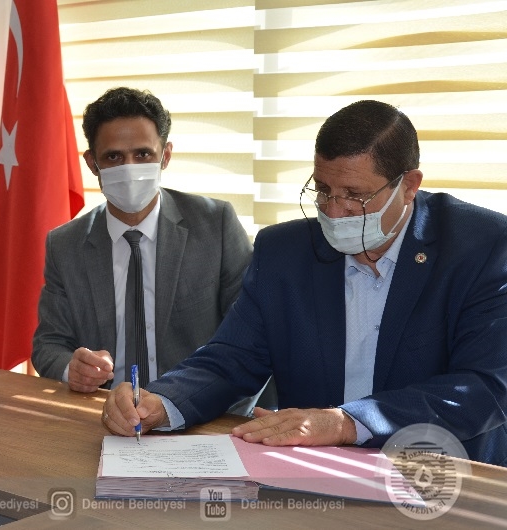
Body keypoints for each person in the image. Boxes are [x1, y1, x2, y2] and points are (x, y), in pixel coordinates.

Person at [102, 99, 507, 466]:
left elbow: (485, 386)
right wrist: (162, 401)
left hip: (439, 474)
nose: (335, 211)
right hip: (310, 474)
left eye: (355, 195)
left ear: (409, 186)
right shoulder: (284, 252)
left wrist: (347, 422)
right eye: (323, 190)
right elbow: (233, 357)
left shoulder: (481, 247)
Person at [31, 87, 254, 396]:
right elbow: (49, 343)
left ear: (165, 156)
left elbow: (251, 337)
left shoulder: (215, 226)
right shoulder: (65, 245)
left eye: (143, 154)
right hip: (103, 409)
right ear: (92, 163)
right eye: (113, 157)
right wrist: (73, 369)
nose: (130, 168)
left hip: (195, 409)